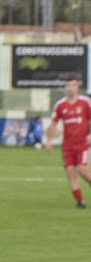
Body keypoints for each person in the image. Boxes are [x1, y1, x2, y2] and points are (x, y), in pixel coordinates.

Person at [49, 79, 91, 209]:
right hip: (67, 146)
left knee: (83, 170)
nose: (70, 88)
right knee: (70, 173)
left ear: (77, 87)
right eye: (68, 85)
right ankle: (80, 202)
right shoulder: (60, 105)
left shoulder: (85, 102)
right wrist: (49, 141)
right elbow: (53, 123)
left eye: (73, 85)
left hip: (82, 143)